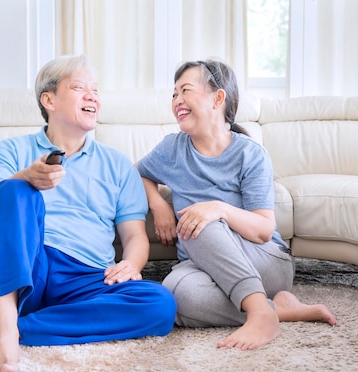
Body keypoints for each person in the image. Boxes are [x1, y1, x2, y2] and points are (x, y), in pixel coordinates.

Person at [0, 55, 177, 372]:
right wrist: (26, 178)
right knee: (11, 190)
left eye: (95, 89)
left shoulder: (118, 165)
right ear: (48, 99)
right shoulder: (11, 150)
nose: (92, 95)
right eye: (79, 87)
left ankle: (11, 328)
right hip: (26, 267)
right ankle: (4, 330)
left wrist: (132, 264)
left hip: (86, 276)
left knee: (160, 305)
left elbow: (134, 235)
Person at [137, 59, 337, 351]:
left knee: (197, 222)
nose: (177, 100)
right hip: (201, 267)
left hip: (264, 261)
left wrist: (219, 209)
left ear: (218, 98)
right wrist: (158, 204)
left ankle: (258, 312)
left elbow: (264, 230)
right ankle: (279, 310)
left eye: (186, 90)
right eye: (173, 94)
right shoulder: (172, 149)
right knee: (175, 294)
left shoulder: (250, 154)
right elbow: (137, 171)